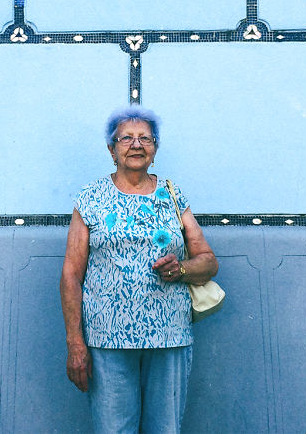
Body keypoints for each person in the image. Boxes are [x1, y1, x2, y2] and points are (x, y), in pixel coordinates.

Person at [60, 105, 218, 433]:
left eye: (145, 138)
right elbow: (71, 275)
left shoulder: (172, 195)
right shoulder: (90, 198)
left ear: (155, 149)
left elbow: (208, 261)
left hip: (169, 336)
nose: (136, 145)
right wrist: (76, 343)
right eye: (126, 138)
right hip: (108, 339)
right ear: (112, 150)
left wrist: (182, 269)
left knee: (165, 429)